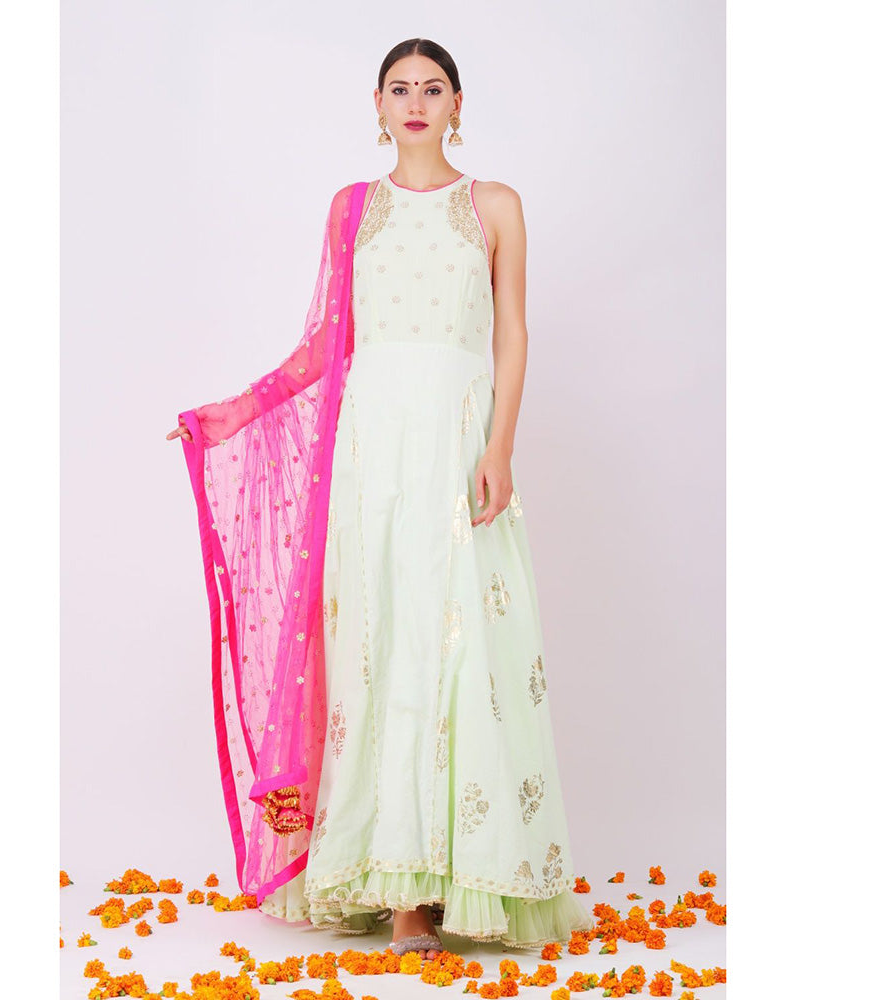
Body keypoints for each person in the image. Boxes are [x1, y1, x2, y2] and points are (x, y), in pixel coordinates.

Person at [167, 37, 592, 958]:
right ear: (377, 104)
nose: (416, 102)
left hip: (457, 440)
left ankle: (467, 877)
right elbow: (328, 342)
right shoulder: (351, 210)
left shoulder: (495, 206)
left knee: (463, 645)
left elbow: (512, 334)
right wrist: (232, 412)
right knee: (380, 644)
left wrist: (500, 446)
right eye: (400, 88)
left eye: (432, 88)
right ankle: (398, 892)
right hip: (371, 451)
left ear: (457, 104)